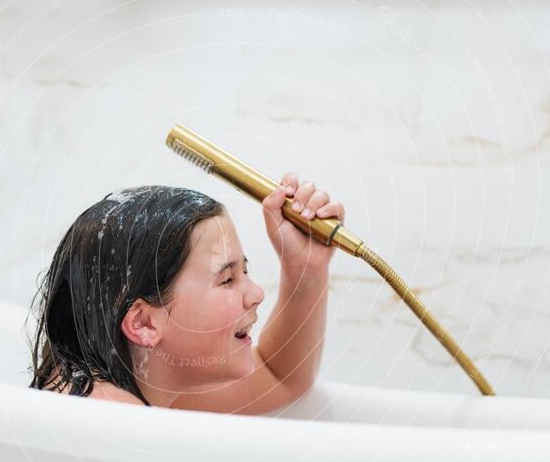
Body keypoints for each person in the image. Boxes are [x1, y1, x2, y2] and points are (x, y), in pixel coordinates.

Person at [27, 172, 345, 415]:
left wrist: (306, 271)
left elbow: (279, 378)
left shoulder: (140, 382)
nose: (257, 294)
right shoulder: (106, 418)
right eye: (227, 279)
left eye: (244, 272)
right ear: (143, 323)